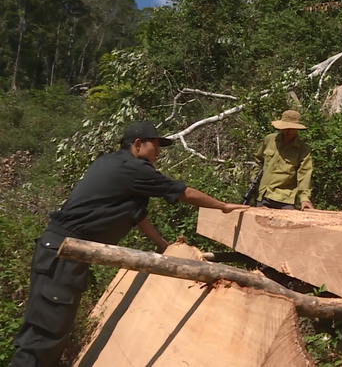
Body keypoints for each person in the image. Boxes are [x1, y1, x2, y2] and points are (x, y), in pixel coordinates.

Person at [10, 122, 248, 367]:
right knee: (43, 335)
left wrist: (161, 243)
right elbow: (182, 192)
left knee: (53, 330)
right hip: (63, 254)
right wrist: (223, 206)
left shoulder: (109, 163)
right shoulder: (133, 169)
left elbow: (135, 214)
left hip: (62, 252)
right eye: (155, 145)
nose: (159, 152)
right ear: (137, 144)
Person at [251, 110, 313, 210]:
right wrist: (253, 179)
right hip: (263, 195)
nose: (288, 131)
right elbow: (258, 161)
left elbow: (304, 174)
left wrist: (304, 198)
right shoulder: (269, 140)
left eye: (292, 128)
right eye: (286, 128)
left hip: (285, 198)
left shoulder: (303, 149)